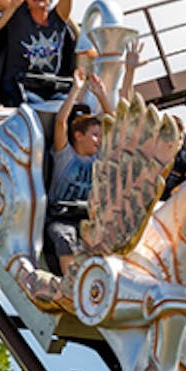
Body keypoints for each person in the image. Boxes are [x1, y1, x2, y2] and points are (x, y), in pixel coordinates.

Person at [46, 67, 112, 273]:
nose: (99, 140)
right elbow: (60, 122)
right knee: (64, 237)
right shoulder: (65, 154)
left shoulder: (98, 159)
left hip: (87, 217)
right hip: (61, 216)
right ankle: (71, 285)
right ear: (78, 135)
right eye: (94, 135)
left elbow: (118, 127)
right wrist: (76, 89)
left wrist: (102, 95)